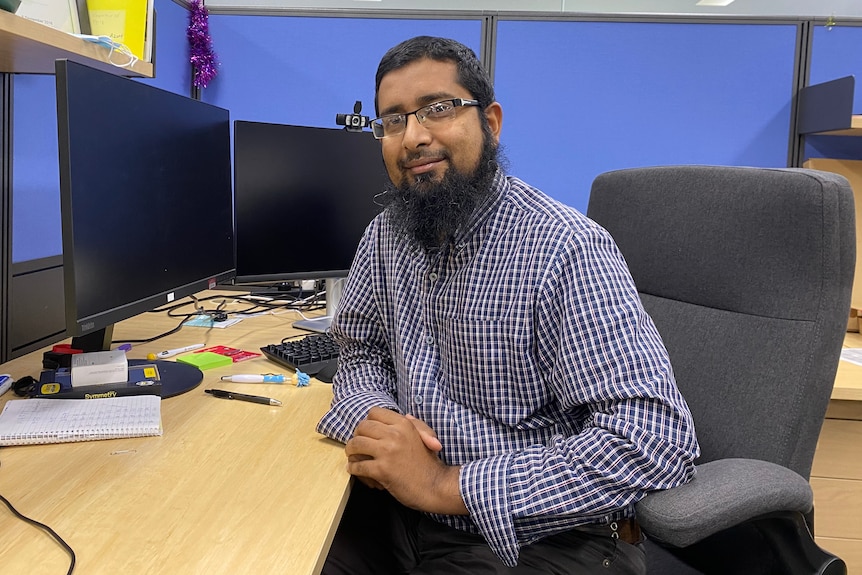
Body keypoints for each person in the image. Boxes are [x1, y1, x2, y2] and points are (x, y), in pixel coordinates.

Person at [316, 35, 699, 574]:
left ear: (490, 122)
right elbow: (360, 353)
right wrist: (375, 419)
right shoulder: (385, 236)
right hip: (400, 512)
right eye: (394, 120)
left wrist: (445, 484)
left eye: (437, 109)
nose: (413, 137)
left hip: (539, 538)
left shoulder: (564, 248)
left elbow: (654, 441)